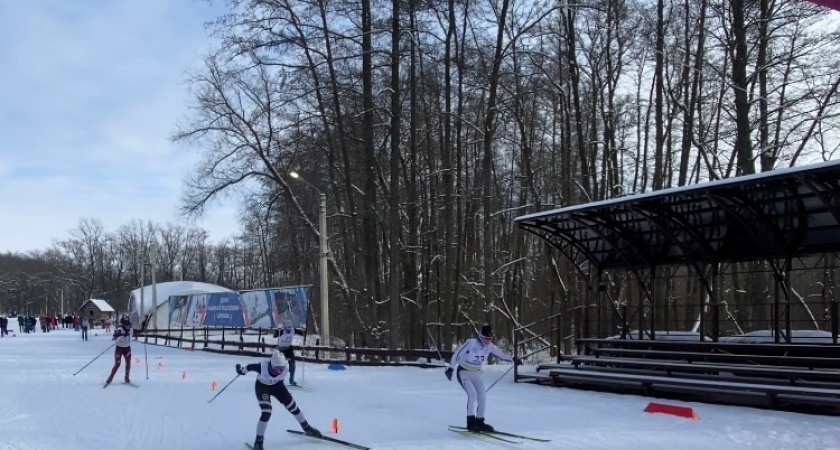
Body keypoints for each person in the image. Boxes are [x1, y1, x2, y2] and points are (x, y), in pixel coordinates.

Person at [236, 349, 321, 450]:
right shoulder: (262, 367)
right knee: (267, 412)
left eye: (281, 368)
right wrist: (241, 371)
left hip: (278, 386)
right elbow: (249, 367)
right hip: (262, 387)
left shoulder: (286, 368)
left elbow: (282, 373)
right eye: (276, 369)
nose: (279, 371)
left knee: (293, 407)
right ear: (270, 365)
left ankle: (307, 428)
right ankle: (258, 441)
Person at [445, 324, 521, 432]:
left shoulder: (489, 346)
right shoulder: (471, 343)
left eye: (490, 338)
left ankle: (480, 422)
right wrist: (450, 369)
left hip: (476, 373)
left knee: (482, 396)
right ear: (481, 336)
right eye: (486, 338)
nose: (488, 341)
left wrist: (513, 359)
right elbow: (457, 354)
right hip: (464, 372)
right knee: (472, 395)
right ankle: (470, 423)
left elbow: (501, 355)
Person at [105, 317, 133, 385]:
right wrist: (121, 334)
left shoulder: (131, 330)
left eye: (129, 325)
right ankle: (110, 378)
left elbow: (139, 332)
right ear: (123, 325)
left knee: (128, 363)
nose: (128, 326)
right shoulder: (120, 330)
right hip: (119, 348)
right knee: (117, 364)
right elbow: (114, 335)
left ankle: (127, 377)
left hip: (127, 348)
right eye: (126, 325)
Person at [272, 319, 298, 385]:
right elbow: (274, 336)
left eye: (290, 327)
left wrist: (304, 331)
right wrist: (278, 330)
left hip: (289, 349)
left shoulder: (293, 329)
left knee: (292, 365)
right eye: (288, 328)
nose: (289, 329)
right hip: (281, 349)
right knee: (281, 365)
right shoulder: (281, 331)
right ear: (285, 327)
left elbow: (301, 333)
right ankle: (279, 380)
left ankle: (291, 380)